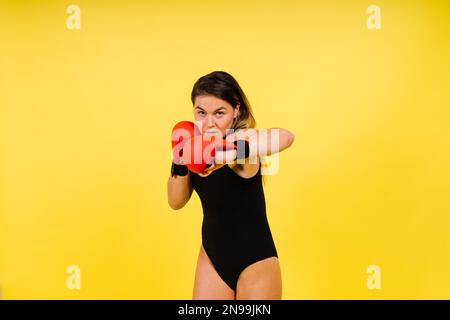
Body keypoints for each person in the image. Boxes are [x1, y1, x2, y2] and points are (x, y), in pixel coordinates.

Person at [167, 71, 295, 300]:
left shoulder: (241, 139)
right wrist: (179, 156)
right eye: (201, 112)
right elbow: (176, 201)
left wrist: (226, 154)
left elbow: (286, 137)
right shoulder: (193, 145)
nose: (209, 123)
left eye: (219, 113)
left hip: (255, 259)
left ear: (235, 110)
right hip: (211, 257)